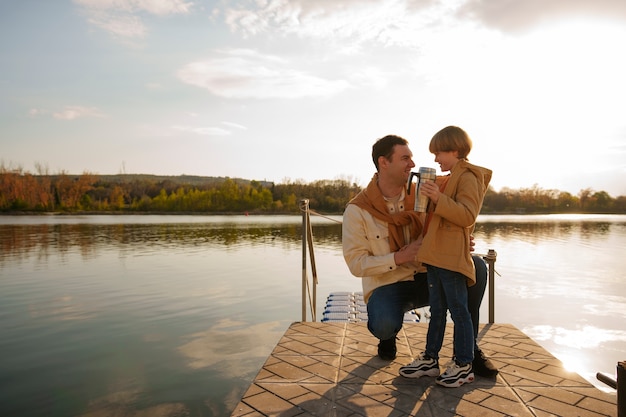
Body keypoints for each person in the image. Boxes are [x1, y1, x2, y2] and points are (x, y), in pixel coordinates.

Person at [341, 134, 498, 379]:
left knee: (475, 267)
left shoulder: (425, 192)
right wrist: (400, 257)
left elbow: (454, 219)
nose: (413, 165)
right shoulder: (357, 210)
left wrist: (456, 243)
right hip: (390, 284)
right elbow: (356, 264)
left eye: (412, 158)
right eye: (405, 158)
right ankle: (388, 336)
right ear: (384, 162)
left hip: (429, 274)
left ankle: (469, 348)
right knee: (383, 324)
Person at [397, 126, 492, 387]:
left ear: (456, 150)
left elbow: (467, 216)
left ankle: (463, 364)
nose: (436, 158)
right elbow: (441, 214)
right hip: (436, 253)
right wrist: (429, 198)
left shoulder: (469, 177)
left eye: (439, 152)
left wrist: (438, 197)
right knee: (437, 309)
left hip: (450, 255)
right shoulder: (449, 177)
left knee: (459, 310)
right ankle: (430, 359)